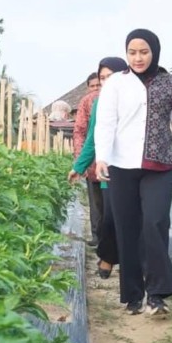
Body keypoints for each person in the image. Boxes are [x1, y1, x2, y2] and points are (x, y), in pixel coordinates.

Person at [94, 29, 172, 316]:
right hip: (122, 165)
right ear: (127, 54)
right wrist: (102, 157)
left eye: (144, 52)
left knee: (155, 222)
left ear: (155, 52)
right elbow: (105, 123)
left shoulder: (170, 85)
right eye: (132, 52)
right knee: (128, 229)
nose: (138, 58)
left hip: (159, 165)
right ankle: (133, 295)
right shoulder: (115, 84)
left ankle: (157, 294)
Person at [69, 57, 129, 279]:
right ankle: (107, 257)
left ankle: (130, 261)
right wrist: (80, 164)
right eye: (101, 78)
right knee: (110, 216)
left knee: (132, 217)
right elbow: (89, 135)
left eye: (109, 77)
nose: (105, 82)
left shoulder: (138, 98)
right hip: (107, 167)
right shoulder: (96, 103)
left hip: (136, 169)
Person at [72, 73, 103, 246]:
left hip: (111, 162)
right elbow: (80, 132)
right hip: (93, 162)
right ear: (87, 88)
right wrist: (81, 161)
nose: (96, 89)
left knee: (106, 202)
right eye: (92, 86)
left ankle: (107, 239)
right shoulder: (85, 102)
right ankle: (98, 237)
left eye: (99, 85)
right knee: (96, 202)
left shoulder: (114, 97)